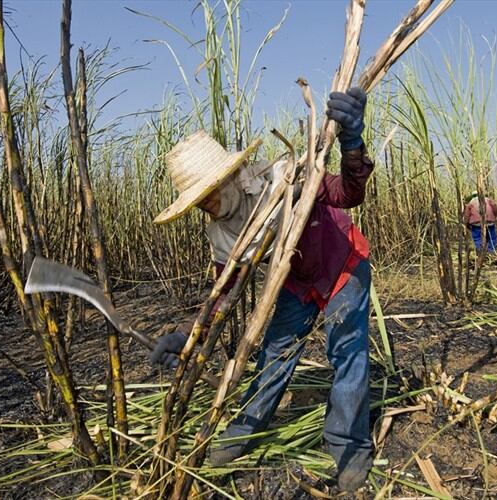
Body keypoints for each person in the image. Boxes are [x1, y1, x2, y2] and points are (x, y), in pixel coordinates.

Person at [149, 88, 375, 492]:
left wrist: (352, 143)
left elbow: (347, 194)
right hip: (296, 281)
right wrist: (190, 335)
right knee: (275, 354)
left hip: (341, 264)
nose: (207, 204)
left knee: (347, 351)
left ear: (230, 176)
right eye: (198, 200)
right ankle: (243, 432)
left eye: (210, 192)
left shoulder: (280, 175)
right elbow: (224, 290)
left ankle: (348, 445)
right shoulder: (221, 232)